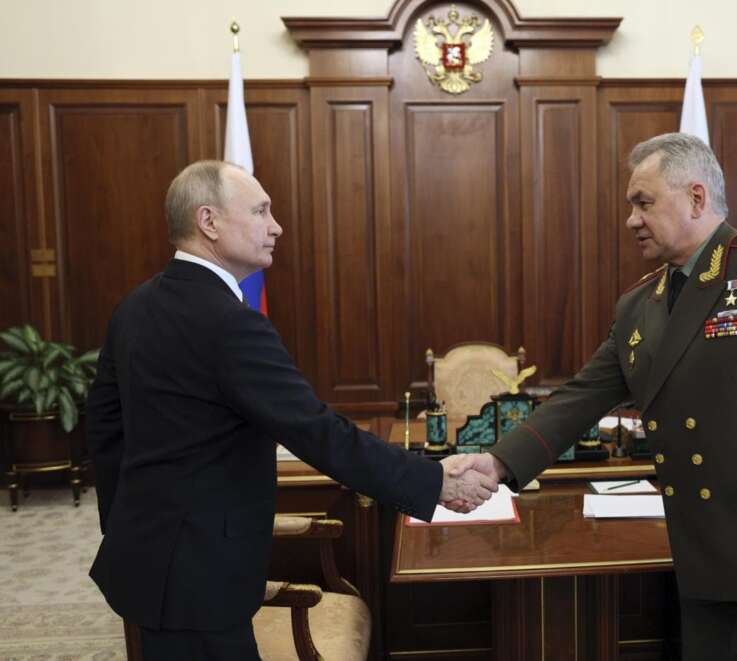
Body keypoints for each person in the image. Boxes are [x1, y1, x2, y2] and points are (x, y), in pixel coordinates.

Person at [464, 133, 737, 660]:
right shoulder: (639, 305)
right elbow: (582, 396)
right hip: (702, 554)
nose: (631, 220)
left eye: (644, 203)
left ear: (696, 198)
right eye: (631, 206)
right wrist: (497, 463)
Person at [85, 160, 497, 660]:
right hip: (201, 578)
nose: (276, 226)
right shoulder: (229, 323)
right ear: (208, 221)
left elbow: (105, 430)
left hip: (148, 561)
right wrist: (433, 482)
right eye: (260, 211)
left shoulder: (134, 307)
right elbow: (316, 432)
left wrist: (128, 527)